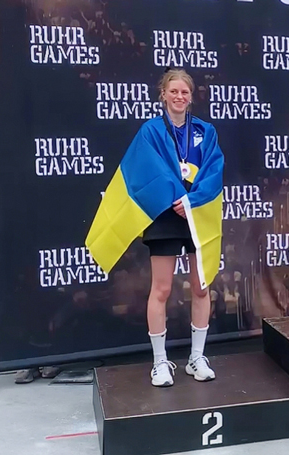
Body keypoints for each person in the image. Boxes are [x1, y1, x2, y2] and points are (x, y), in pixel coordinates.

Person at [86, 69, 224, 385]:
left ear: (191, 97)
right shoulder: (150, 130)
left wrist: (192, 200)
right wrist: (177, 197)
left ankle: (196, 358)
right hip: (164, 214)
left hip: (197, 213)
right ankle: (160, 362)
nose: (179, 97)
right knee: (161, 289)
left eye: (184, 92)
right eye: (173, 91)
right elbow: (149, 172)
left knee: (201, 286)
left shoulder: (206, 131)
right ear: (163, 94)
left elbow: (214, 171)